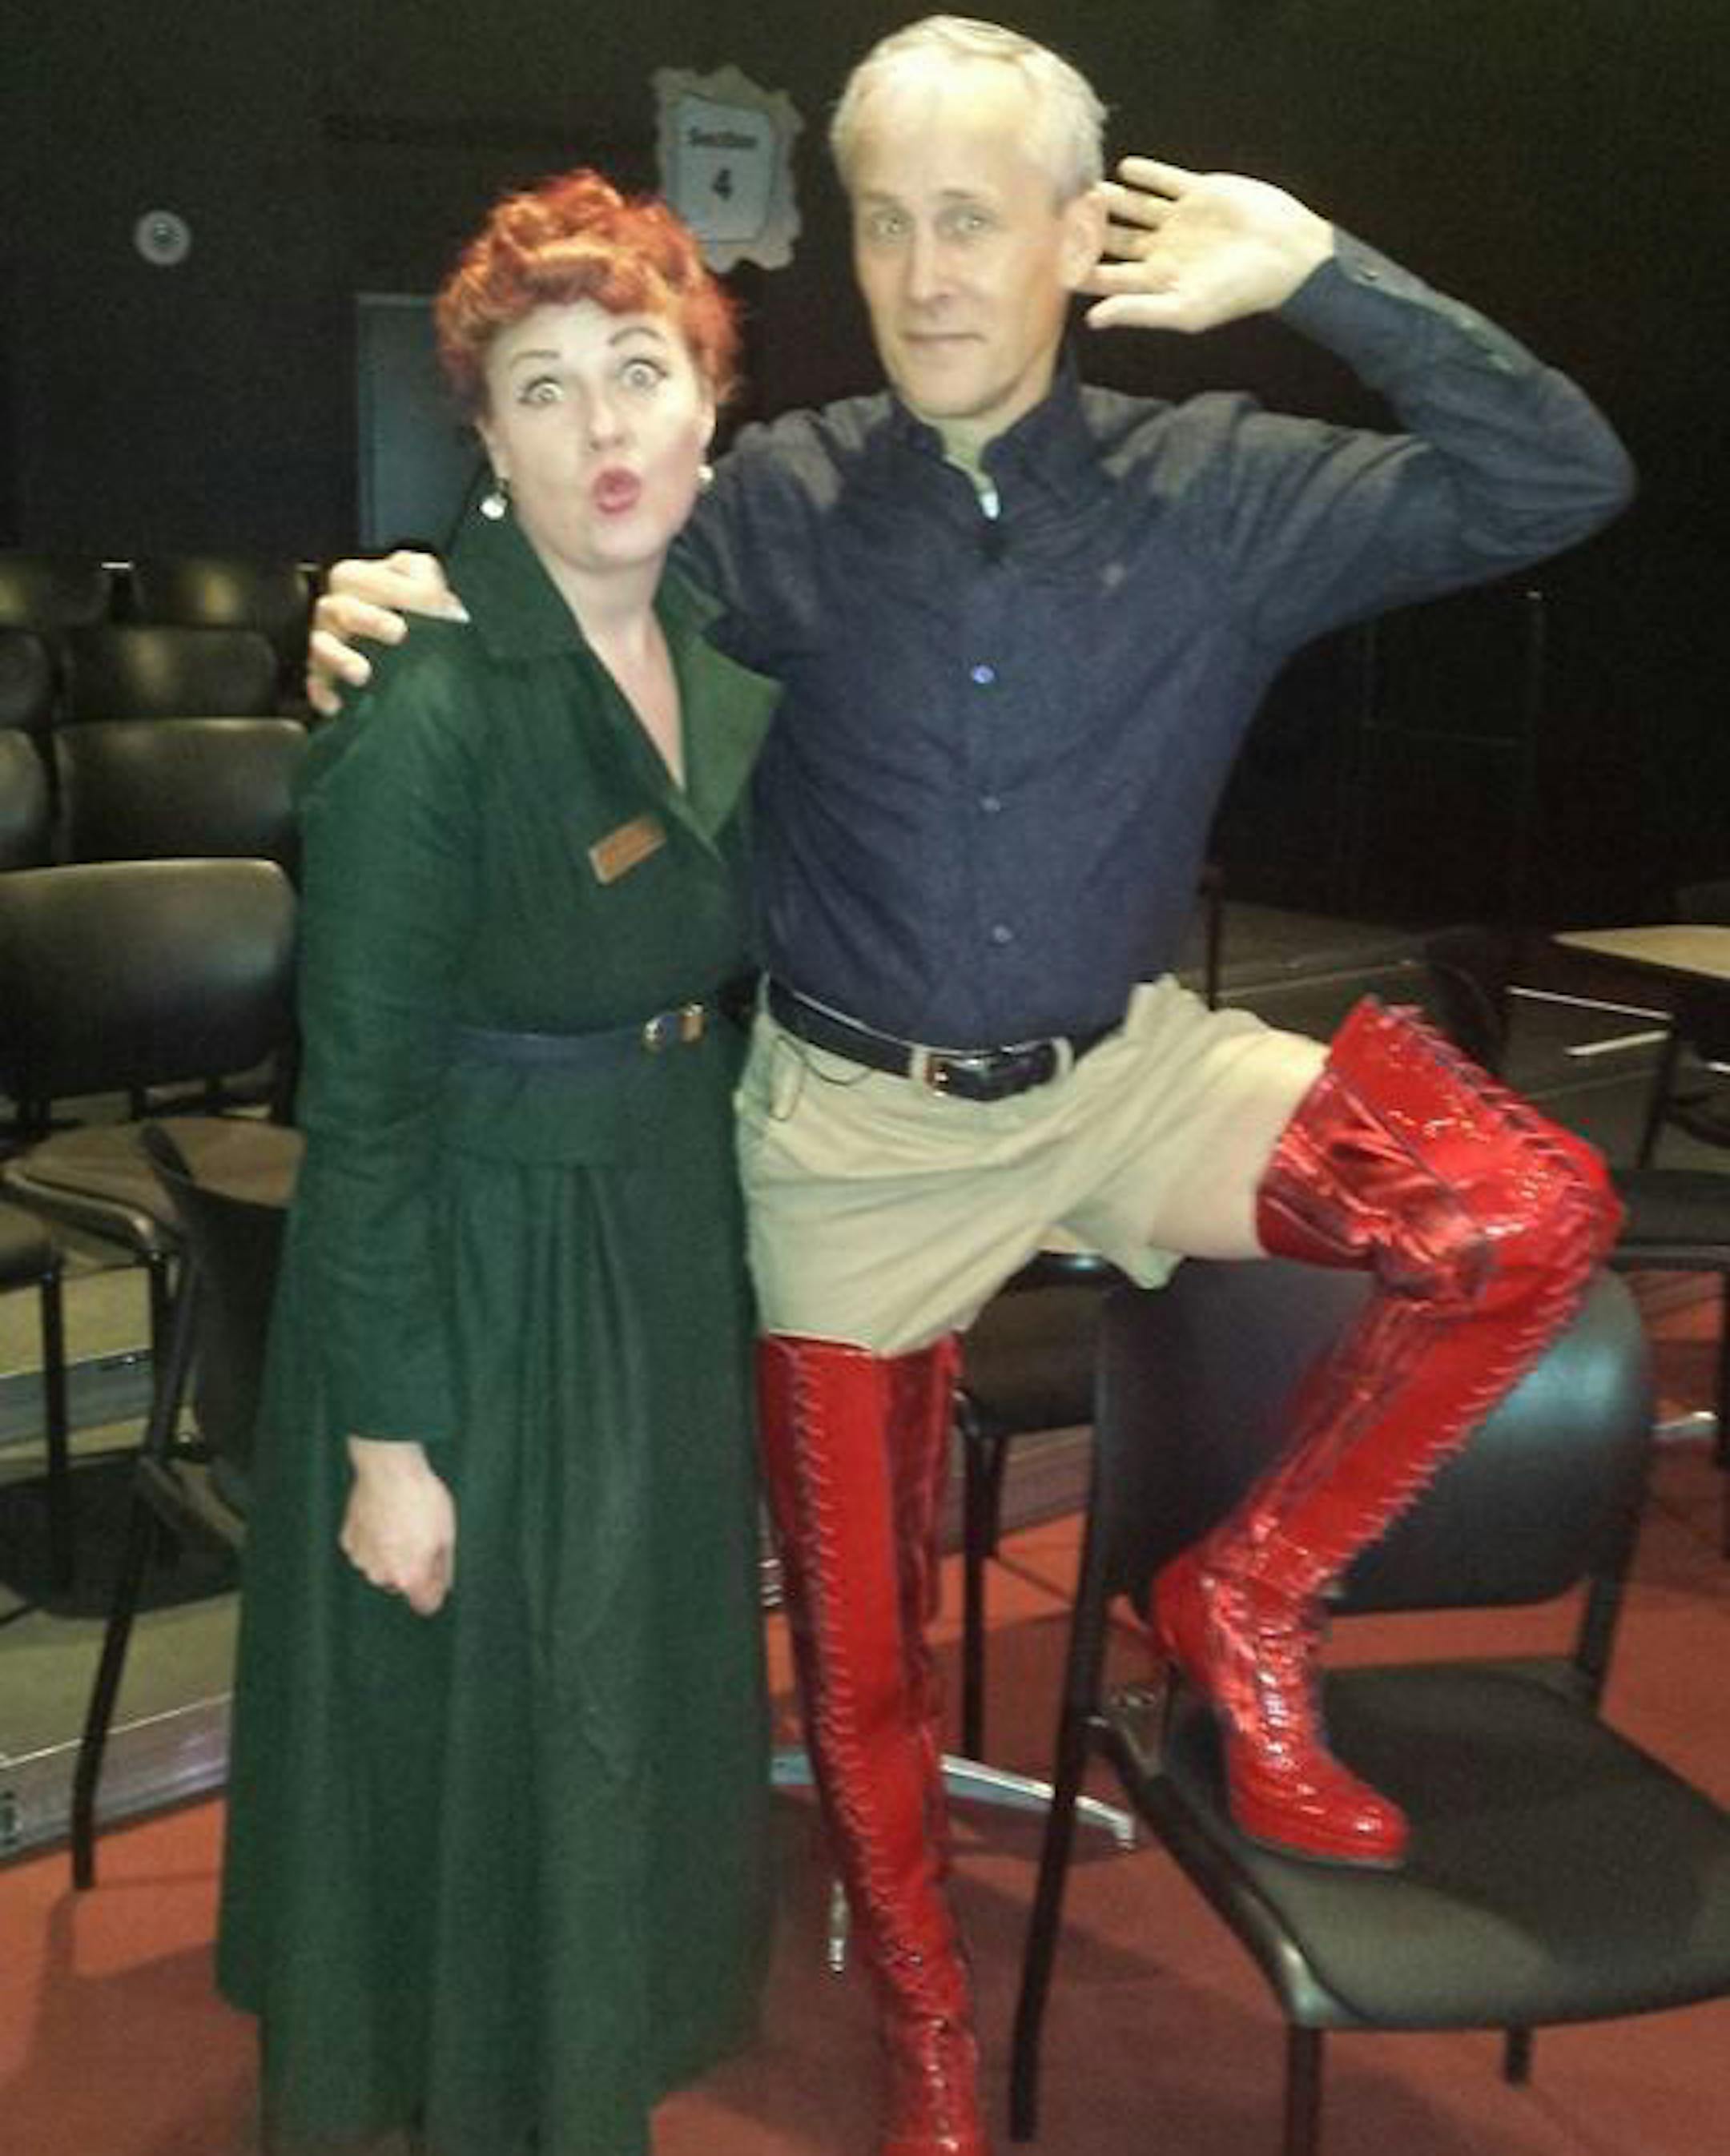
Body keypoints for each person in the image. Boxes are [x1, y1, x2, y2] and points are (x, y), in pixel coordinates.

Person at [309, 21, 1634, 2155]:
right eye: (890, 222)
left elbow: (1559, 476)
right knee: (858, 1657)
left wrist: (1320, 270)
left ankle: (1246, 1592)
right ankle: (930, 2031)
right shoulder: (786, 503)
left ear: (1069, 240)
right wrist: (388, 598)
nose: (928, 272)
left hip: (1130, 1070)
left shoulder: (1227, 485)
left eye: (976, 219)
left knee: (1523, 1208)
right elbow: (568, 580)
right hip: (855, 1124)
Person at [219, 170, 781, 2156]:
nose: (603, 428)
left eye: (641, 372)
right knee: (497, 1722)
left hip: (656, 1228)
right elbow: (355, 1102)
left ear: (713, 403)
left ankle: (585, 2047)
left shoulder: (723, 646)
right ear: (481, 436)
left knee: (618, 1700)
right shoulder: (427, 704)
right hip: (477, 1268)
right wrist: (388, 1438)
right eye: (542, 389)